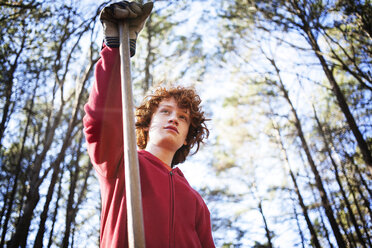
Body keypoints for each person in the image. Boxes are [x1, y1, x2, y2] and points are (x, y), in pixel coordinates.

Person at [83, 1, 215, 247]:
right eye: (165, 111)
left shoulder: (196, 203)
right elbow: (100, 122)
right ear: (146, 125)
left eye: (183, 117)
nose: (174, 118)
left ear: (187, 137)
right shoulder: (121, 164)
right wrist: (114, 48)